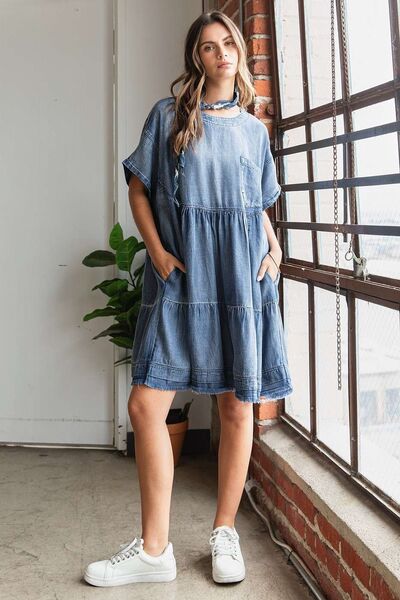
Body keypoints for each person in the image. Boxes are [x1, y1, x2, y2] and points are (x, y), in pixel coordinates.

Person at [83, 9, 293, 588]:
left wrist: (275, 249)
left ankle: (225, 531)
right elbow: (139, 189)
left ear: (239, 53)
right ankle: (154, 550)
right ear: (195, 58)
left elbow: (257, 206)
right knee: (145, 406)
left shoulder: (254, 131)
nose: (221, 53)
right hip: (182, 277)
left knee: (236, 407)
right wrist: (155, 252)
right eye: (208, 46)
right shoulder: (169, 116)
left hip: (241, 280)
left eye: (228, 43)